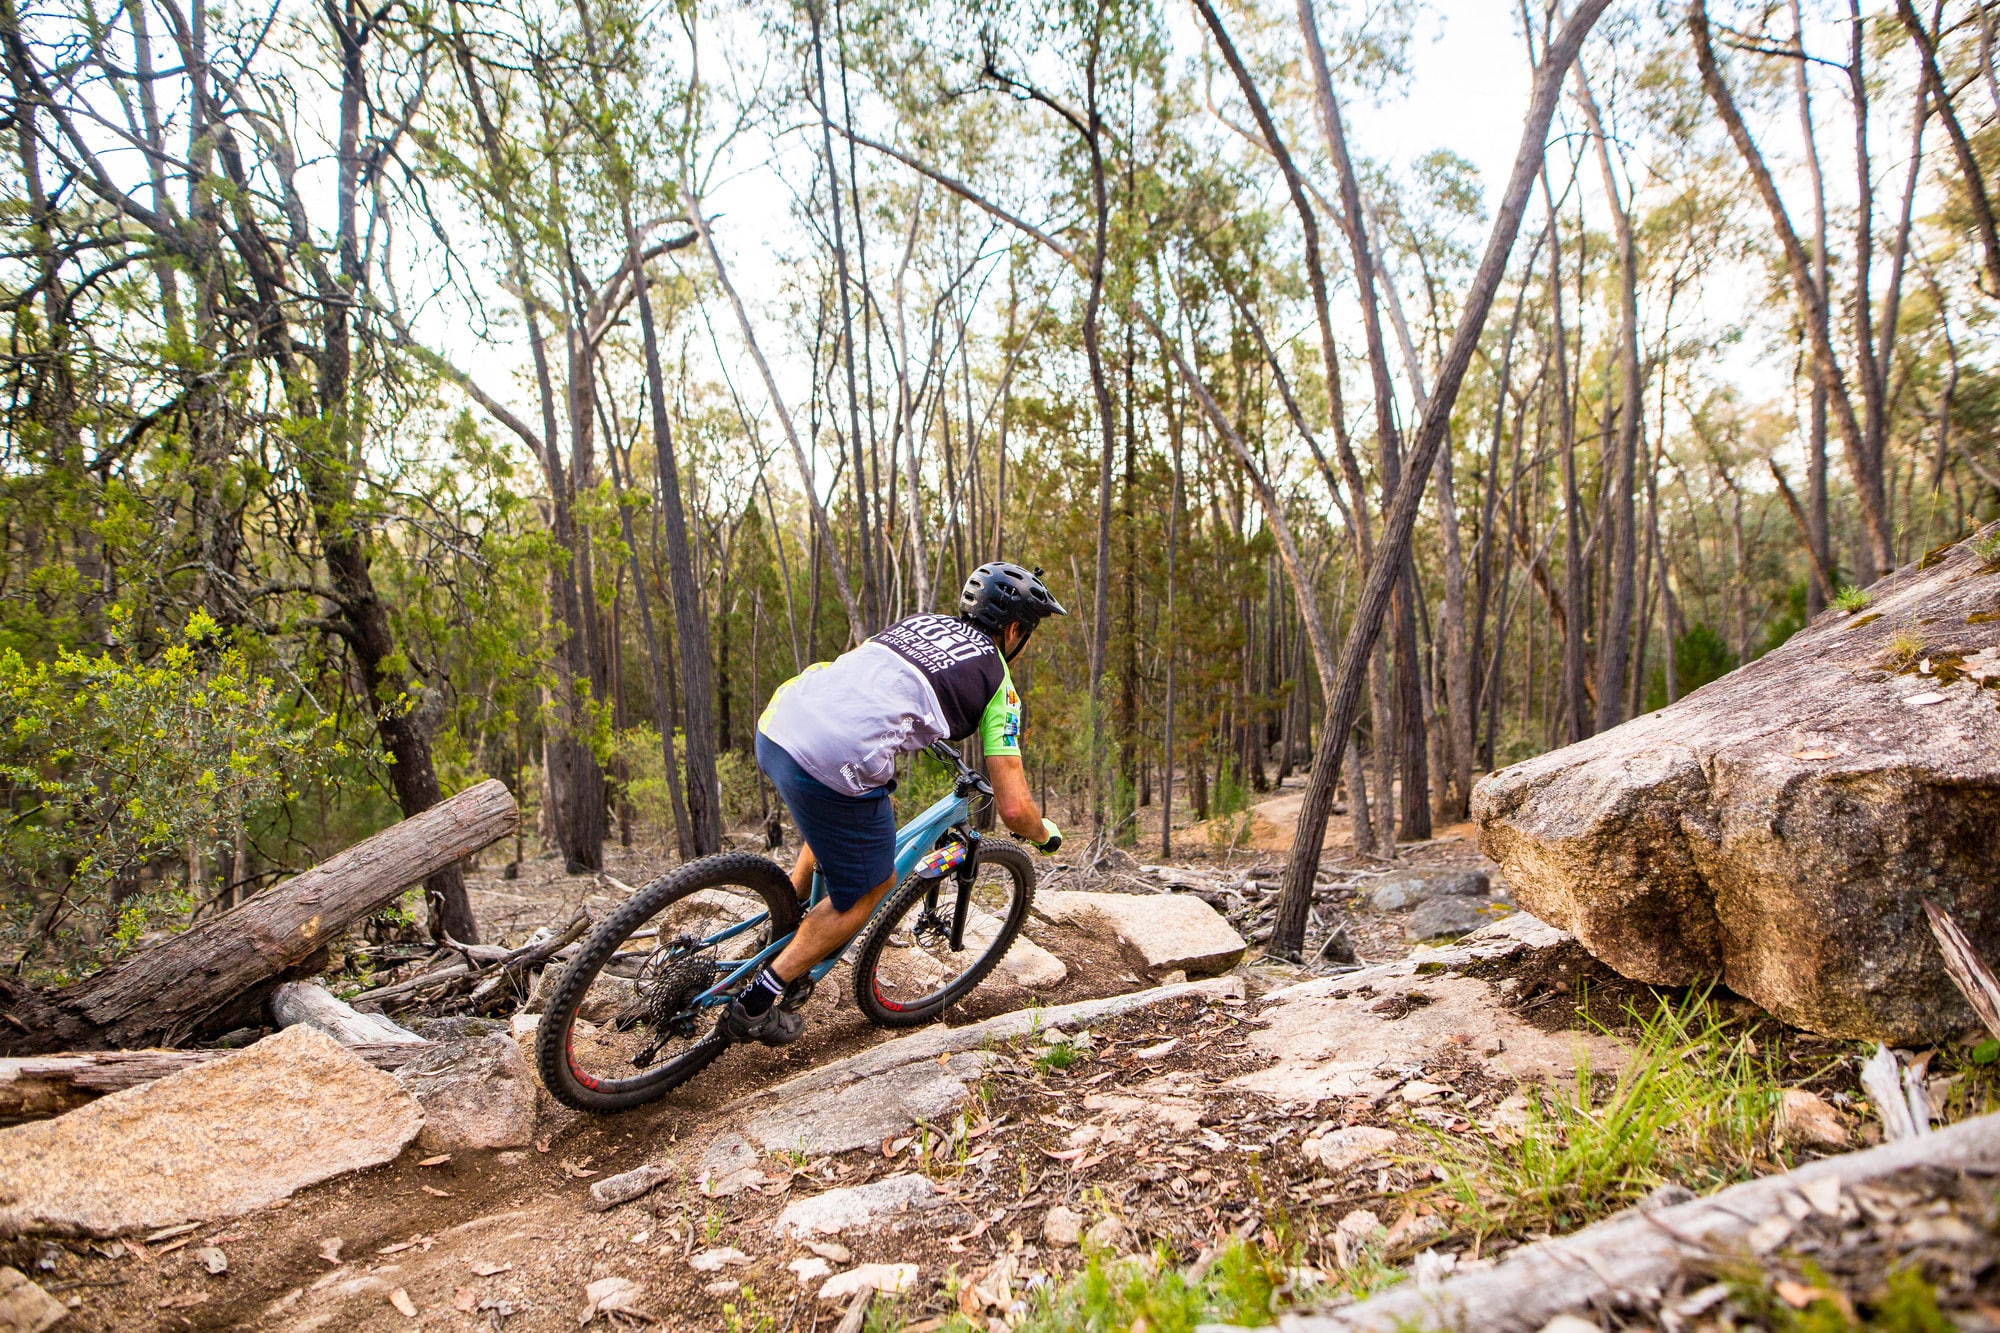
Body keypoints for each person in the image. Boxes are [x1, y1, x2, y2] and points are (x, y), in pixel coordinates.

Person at [727, 563, 1067, 1045]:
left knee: (836, 815)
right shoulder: (999, 685)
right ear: (1014, 630)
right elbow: (1014, 809)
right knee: (874, 883)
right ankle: (757, 1002)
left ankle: (781, 924)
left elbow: (873, 684)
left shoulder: (919, 622)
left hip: (782, 717)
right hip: (831, 754)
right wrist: (1044, 834)